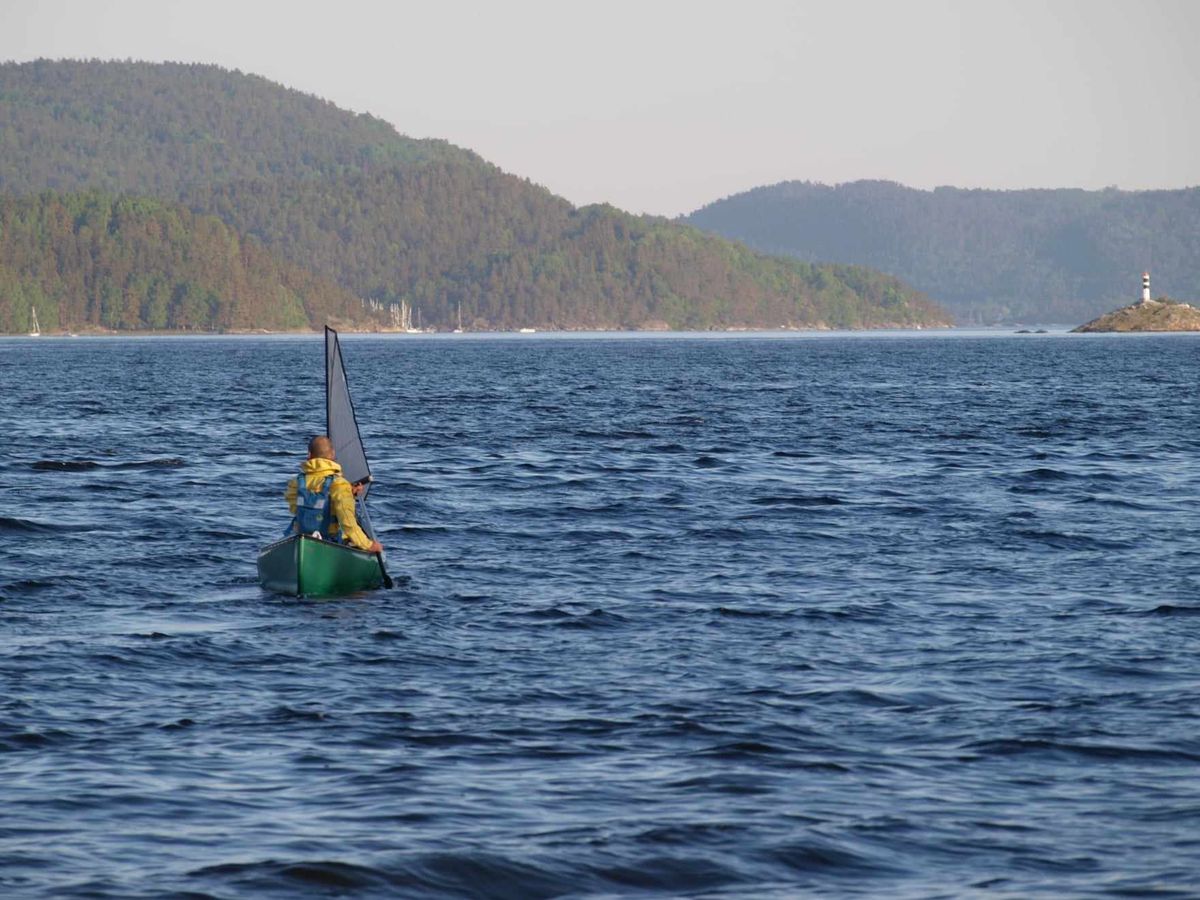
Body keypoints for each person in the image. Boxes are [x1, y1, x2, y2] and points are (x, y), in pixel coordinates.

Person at [285, 435, 383, 553]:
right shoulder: (340, 485)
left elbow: (296, 509)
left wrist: (349, 492)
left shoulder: (296, 483)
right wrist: (368, 545)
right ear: (332, 454)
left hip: (303, 541)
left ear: (309, 455)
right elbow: (347, 522)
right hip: (329, 544)